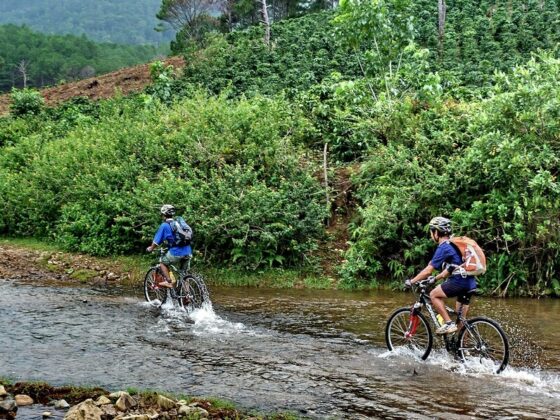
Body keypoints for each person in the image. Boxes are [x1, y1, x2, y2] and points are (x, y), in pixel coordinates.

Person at [405, 217, 477, 334]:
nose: (431, 235)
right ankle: (463, 350)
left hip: (459, 282)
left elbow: (428, 270)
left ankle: (448, 323)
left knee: (433, 295)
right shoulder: (455, 245)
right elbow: (450, 269)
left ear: (436, 232)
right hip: (470, 283)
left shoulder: (444, 247)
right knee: (461, 323)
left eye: (431, 232)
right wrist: (435, 279)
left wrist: (412, 281)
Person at [146, 204, 192, 288]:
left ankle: (170, 281)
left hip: (176, 252)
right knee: (184, 275)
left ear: (163, 215)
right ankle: (187, 297)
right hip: (188, 251)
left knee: (163, 264)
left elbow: (156, 242)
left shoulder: (164, 225)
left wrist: (150, 248)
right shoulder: (179, 223)